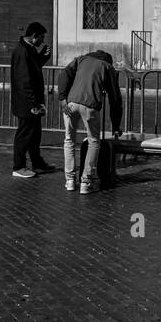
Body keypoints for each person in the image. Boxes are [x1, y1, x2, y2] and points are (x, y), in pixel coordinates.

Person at [57, 49, 123, 194]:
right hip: (90, 105)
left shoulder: (80, 59)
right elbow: (115, 99)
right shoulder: (107, 67)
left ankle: (69, 180)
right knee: (94, 141)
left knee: (69, 140)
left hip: (70, 103)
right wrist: (116, 125)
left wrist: (62, 99)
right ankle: (85, 181)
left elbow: (64, 74)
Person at [9, 22, 55, 179]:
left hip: (31, 101)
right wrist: (33, 103)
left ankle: (37, 162)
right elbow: (25, 81)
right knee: (24, 134)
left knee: (35, 133)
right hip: (27, 103)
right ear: (34, 36)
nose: (42, 41)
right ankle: (19, 166)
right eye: (41, 37)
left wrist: (43, 57)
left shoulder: (28, 50)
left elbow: (33, 68)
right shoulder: (22, 51)